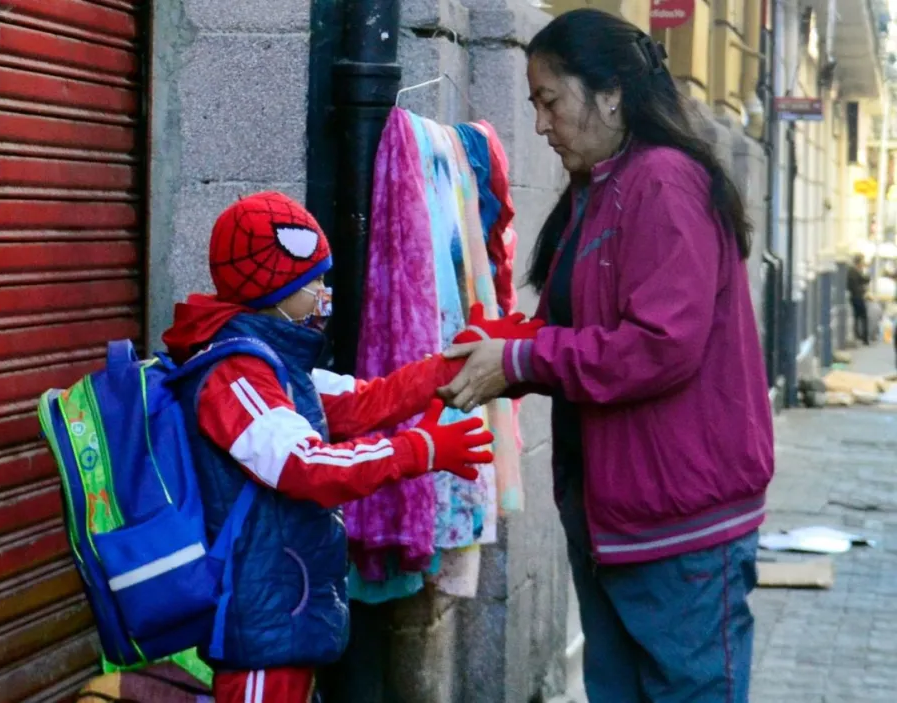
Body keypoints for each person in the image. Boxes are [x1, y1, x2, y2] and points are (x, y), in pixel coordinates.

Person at [438, 10, 774, 703]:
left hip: (681, 531)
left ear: (611, 93)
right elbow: (576, 328)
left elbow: (658, 346)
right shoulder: (603, 189)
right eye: (533, 104)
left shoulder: (664, 183)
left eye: (550, 101)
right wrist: (497, 349)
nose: (539, 125)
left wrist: (522, 361)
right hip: (616, 522)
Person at [161, 191, 515, 703]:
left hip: (284, 605)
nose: (325, 295)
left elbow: (364, 402)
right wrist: (419, 451)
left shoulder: (276, 364)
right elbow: (308, 466)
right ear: (272, 289)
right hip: (258, 620)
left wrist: (458, 362)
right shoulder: (234, 375)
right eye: (313, 283)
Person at [847, 253, 871, 345]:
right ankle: (863, 338)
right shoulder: (854, 271)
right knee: (863, 317)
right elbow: (865, 280)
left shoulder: (852, 271)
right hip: (857, 297)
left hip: (855, 297)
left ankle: (858, 336)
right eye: (862, 262)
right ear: (859, 262)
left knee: (857, 317)